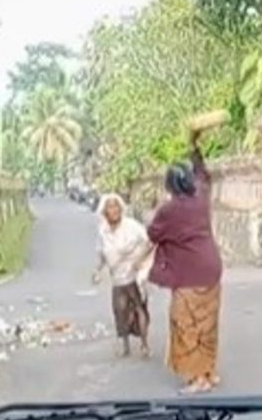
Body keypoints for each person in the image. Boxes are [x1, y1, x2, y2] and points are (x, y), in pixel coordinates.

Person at [144, 131, 223, 394]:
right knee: (208, 322)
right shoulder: (201, 198)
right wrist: (194, 146)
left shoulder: (169, 210)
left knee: (185, 323)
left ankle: (197, 379)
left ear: (169, 185)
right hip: (211, 269)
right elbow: (203, 174)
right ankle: (209, 372)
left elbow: (153, 234)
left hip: (189, 276)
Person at [92, 193, 152, 358]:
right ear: (104, 212)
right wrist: (97, 271)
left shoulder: (131, 226)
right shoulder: (103, 231)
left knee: (140, 308)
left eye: (116, 206)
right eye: (110, 207)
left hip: (134, 274)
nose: (114, 210)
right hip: (117, 277)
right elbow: (102, 255)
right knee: (121, 310)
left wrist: (140, 260)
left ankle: (144, 345)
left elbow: (149, 241)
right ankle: (125, 345)